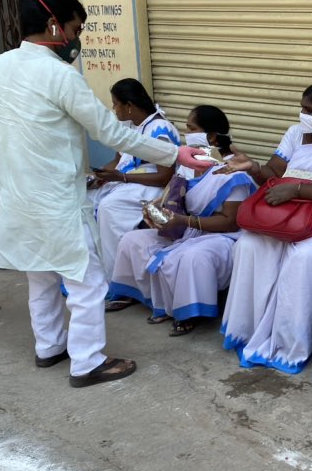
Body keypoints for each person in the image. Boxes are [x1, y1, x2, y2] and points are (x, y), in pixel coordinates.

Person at [0, 0, 202, 387]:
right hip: (57, 198)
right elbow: (112, 133)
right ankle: (87, 362)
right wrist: (174, 153)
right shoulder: (60, 75)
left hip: (19, 194)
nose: (77, 39)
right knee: (87, 281)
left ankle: (49, 347)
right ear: (54, 25)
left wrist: (16, 129)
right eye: (75, 29)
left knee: (41, 276)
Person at [219, 81, 312, 374]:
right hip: (284, 213)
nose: (302, 115)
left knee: (304, 258)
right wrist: (253, 167)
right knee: (248, 244)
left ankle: (288, 345)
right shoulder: (295, 133)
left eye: (309, 110)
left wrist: (297, 190)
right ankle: (248, 332)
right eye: (302, 108)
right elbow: (274, 173)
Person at [108, 105, 254, 336]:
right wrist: (156, 209)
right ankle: (147, 298)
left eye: (191, 128)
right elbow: (172, 198)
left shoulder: (232, 171)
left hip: (220, 236)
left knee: (191, 257)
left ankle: (188, 313)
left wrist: (183, 221)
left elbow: (230, 223)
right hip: (186, 227)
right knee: (132, 240)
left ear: (212, 137)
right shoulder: (189, 164)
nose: (186, 134)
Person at [90, 77, 179, 286]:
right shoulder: (130, 127)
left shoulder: (160, 128)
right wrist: (99, 175)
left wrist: (121, 177)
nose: (114, 110)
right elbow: (118, 161)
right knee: (84, 200)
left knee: (109, 207)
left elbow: (164, 177)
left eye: (115, 104)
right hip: (129, 182)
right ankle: (94, 273)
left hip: (152, 187)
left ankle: (119, 279)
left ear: (129, 105)